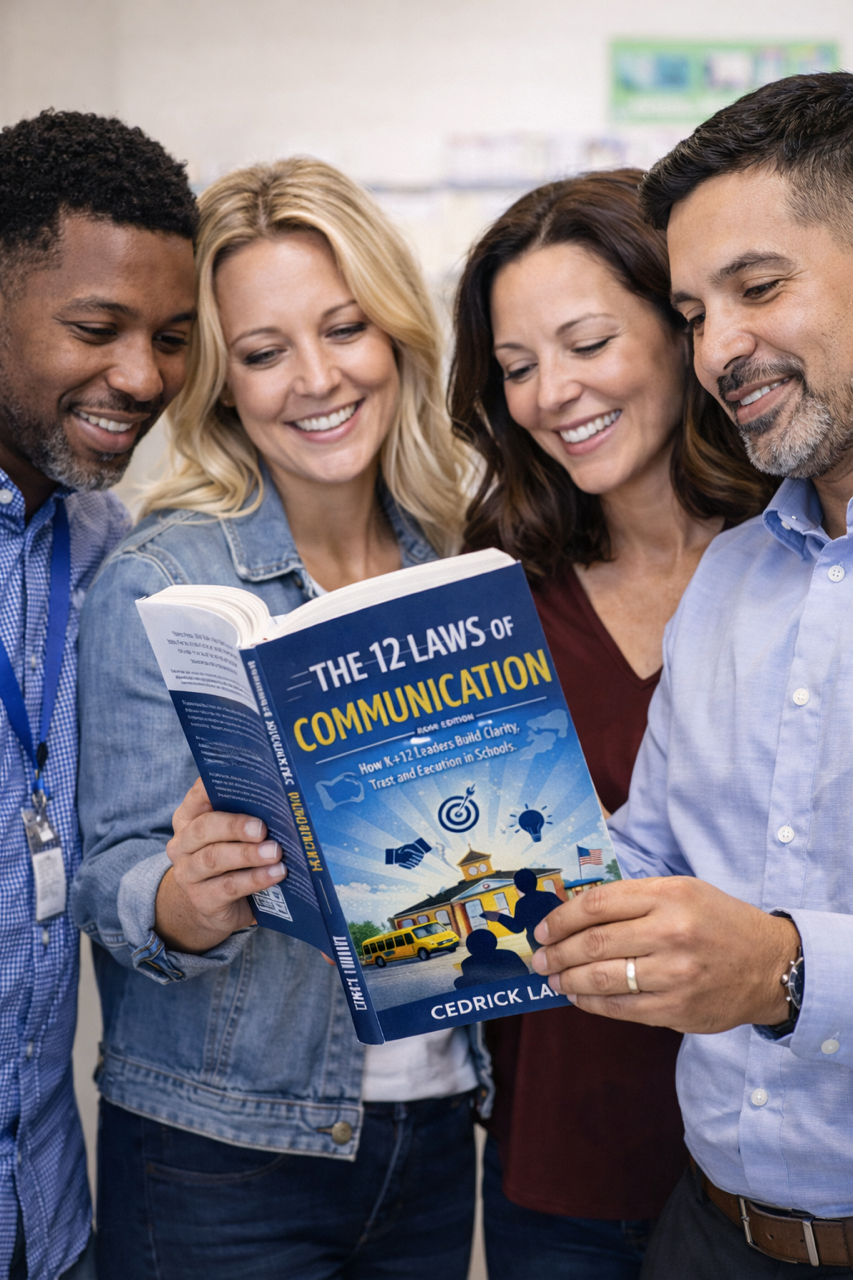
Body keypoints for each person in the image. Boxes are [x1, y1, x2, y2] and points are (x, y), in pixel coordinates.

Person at [72, 157, 490, 1280]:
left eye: (345, 327)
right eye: (263, 352)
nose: (316, 378)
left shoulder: (459, 560)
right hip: (220, 1150)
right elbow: (106, 870)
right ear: (222, 384)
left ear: (397, 332)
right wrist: (186, 896)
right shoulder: (159, 578)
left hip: (435, 1127)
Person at [529, 72, 853, 1277]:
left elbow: (762, 956)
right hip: (708, 1230)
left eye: (759, 288)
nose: (719, 349)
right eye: (691, 309)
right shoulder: (727, 583)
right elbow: (643, 853)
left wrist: (782, 967)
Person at [449, 169, 775, 1279]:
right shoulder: (490, 599)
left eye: (587, 342)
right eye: (517, 366)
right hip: (564, 1159)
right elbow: (464, 893)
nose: (552, 393)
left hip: (774, 1163)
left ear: (682, 326)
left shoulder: (797, 562)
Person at [0, 110, 196, 1280]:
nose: (141, 377)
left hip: (51, 1216)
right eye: (97, 327)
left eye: (172, 337)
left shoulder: (110, 549)